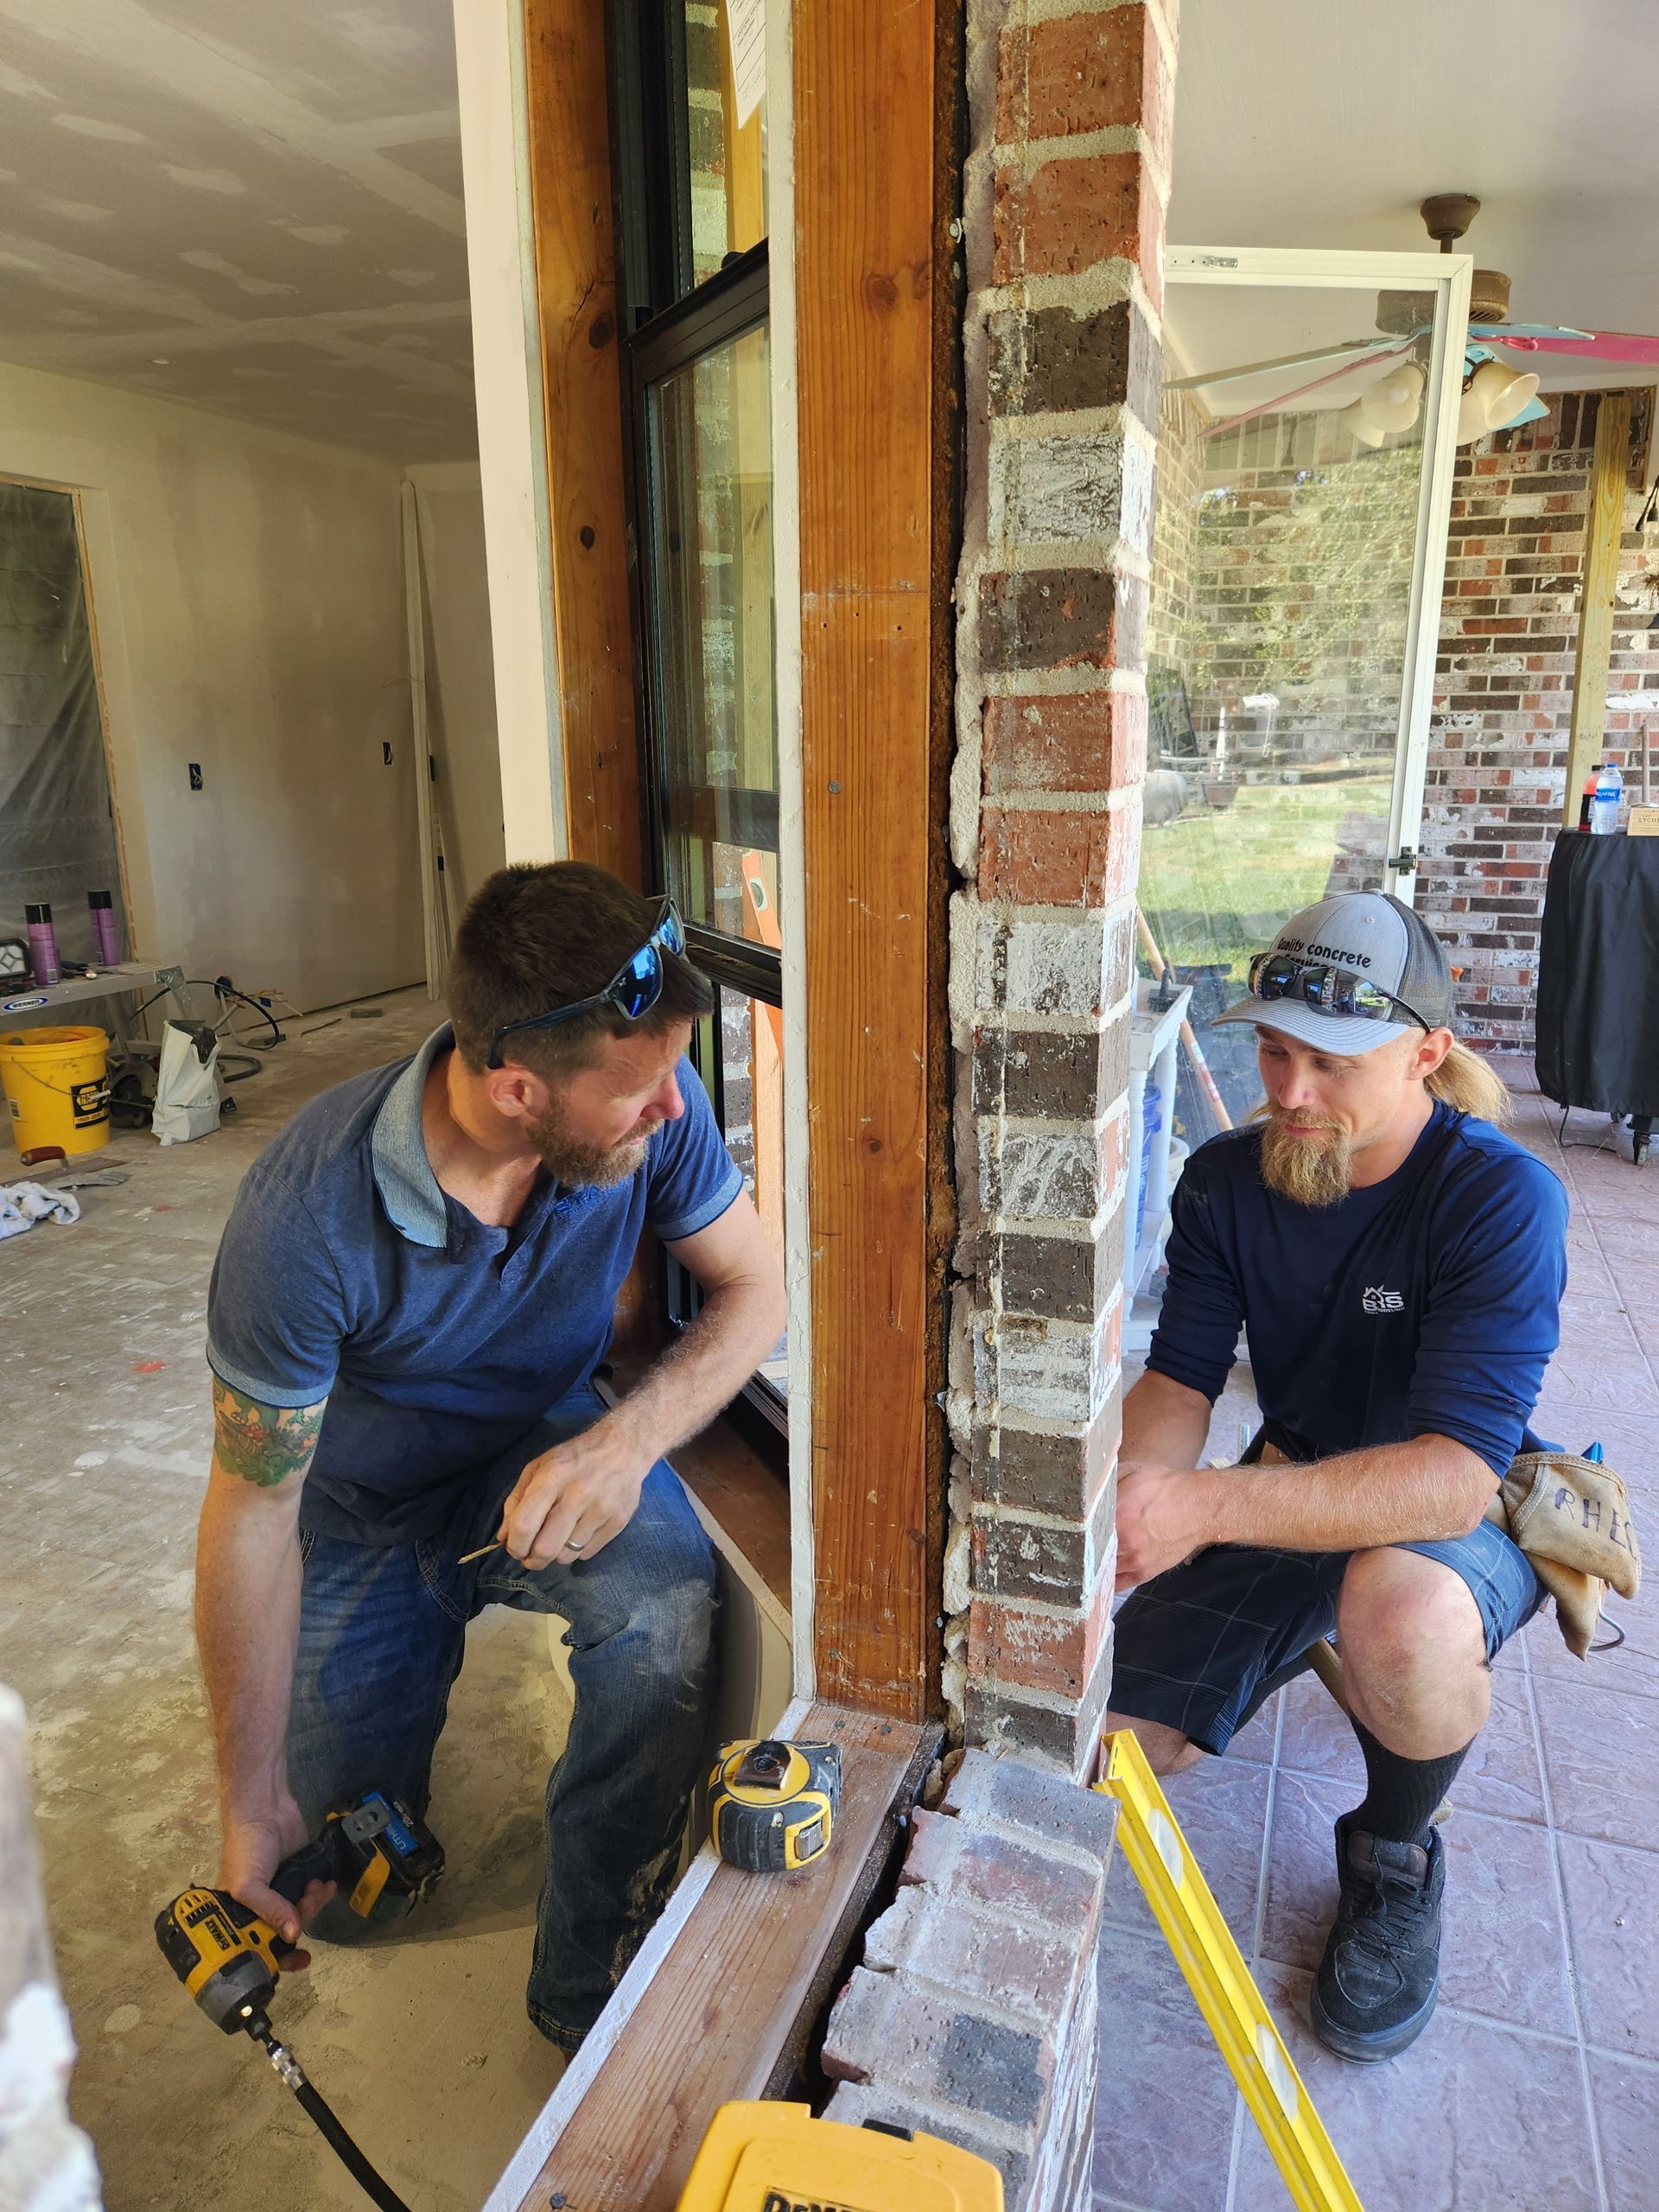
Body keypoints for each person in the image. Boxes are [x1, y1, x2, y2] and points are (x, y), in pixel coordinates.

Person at [194, 861, 786, 2053]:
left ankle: (587, 1993)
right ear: (517, 1090)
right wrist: (248, 1805)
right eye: (641, 1093)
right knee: (346, 1894)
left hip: (539, 1441)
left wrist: (625, 1441)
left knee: (663, 1598)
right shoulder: (303, 1227)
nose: (675, 1112)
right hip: (358, 1515)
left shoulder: (644, 1102)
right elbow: (252, 1515)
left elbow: (756, 1289)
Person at [1107, 892, 1567, 2063]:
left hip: (1455, 1494)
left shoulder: (1500, 1199)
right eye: (1273, 1049)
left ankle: (1395, 1850)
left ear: (1427, 1054)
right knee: (1105, 1741)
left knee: (1400, 1614)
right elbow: (1179, 1380)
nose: (1292, 1091)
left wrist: (1205, 1506)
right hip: (1296, 1473)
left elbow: (1451, 1481)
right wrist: (1136, 1504)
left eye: (1332, 1062)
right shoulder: (1224, 1181)